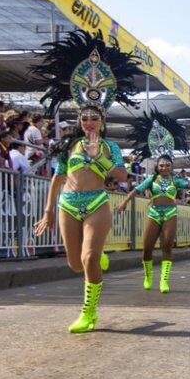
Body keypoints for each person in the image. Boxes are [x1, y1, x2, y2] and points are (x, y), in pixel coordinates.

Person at [32, 29, 141, 333]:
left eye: (94, 118)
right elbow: (57, 177)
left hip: (96, 204)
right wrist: (48, 211)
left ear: (103, 120)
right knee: (75, 264)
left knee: (89, 256)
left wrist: (98, 158)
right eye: (84, 118)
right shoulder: (69, 145)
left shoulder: (112, 148)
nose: (89, 122)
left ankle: (89, 312)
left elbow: (121, 177)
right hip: (68, 203)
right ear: (80, 121)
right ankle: (95, 260)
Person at [118, 112, 190, 292]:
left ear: (171, 167)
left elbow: (188, 185)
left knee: (167, 246)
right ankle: (148, 276)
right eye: (161, 165)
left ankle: (164, 281)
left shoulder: (176, 180)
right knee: (146, 248)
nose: (164, 167)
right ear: (157, 166)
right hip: (153, 213)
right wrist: (123, 203)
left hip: (170, 213)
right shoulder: (151, 180)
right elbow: (134, 191)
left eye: (167, 165)